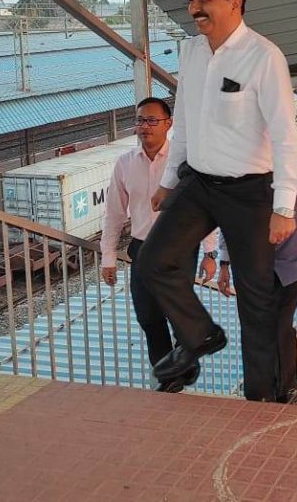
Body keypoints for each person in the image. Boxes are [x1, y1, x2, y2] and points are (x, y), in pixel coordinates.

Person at [138, 0, 297, 401]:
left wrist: (284, 208)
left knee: (256, 300)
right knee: (153, 261)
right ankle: (201, 335)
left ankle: (262, 396)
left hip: (251, 191)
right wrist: (169, 181)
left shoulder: (264, 56)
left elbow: (287, 137)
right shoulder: (191, 51)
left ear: (235, 0)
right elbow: (187, 122)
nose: (194, 8)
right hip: (198, 183)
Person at [100, 97, 217, 392]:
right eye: (140, 120)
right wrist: (108, 256)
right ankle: (170, 374)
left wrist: (210, 252)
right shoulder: (125, 163)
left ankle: (184, 360)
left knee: (177, 312)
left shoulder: (182, 162)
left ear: (169, 124)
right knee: (148, 316)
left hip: (180, 248)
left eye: (152, 120)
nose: (145, 127)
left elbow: (203, 207)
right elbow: (114, 211)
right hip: (141, 248)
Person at [217, 203, 297, 404]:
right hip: (255, 266)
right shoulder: (239, 186)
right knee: (256, 326)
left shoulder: (294, 186)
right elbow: (228, 222)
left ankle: (287, 387)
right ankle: (263, 389)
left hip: (292, 264)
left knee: (281, 324)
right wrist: (224, 263)